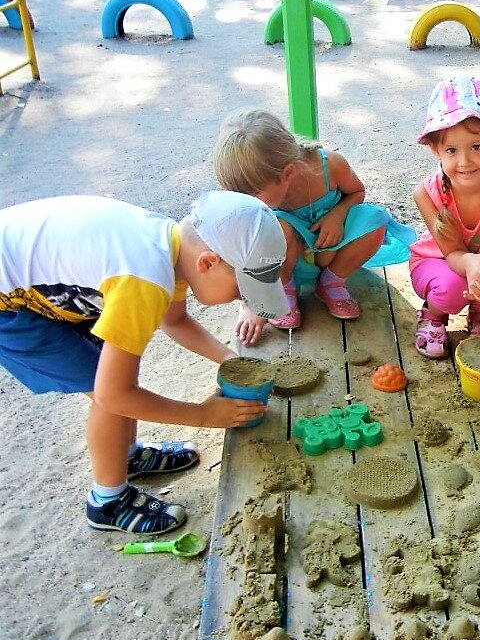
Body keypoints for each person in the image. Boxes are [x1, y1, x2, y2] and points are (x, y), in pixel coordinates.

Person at [0, 191, 288, 535]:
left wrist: (230, 361)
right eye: (241, 291)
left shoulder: (170, 247)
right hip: (11, 304)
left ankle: (126, 455)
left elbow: (175, 321)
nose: (239, 300)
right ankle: (107, 500)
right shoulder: (144, 280)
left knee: (109, 379)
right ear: (208, 262)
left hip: (44, 286)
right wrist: (202, 415)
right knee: (105, 389)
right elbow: (114, 395)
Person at [213, 109, 416, 346]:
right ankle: (284, 294)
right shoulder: (250, 202)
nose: (245, 200)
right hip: (287, 266)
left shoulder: (330, 166)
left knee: (374, 219)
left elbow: (357, 192)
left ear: (287, 173)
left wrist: (337, 214)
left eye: (252, 193)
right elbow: (239, 253)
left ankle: (331, 282)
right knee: (276, 225)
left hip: (332, 249)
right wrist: (251, 304)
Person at [409, 75, 480, 359]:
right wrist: (471, 264)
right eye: (451, 150)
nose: (464, 162)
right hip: (435, 263)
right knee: (451, 288)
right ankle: (433, 315)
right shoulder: (427, 193)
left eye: (476, 147)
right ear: (435, 149)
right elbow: (451, 253)